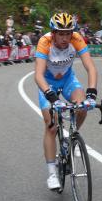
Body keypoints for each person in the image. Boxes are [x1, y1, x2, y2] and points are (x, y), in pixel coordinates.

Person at [34, 12, 97, 190]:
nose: (65, 38)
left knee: (82, 105)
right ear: (53, 33)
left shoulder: (76, 39)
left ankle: (71, 136)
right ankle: (52, 173)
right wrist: (50, 95)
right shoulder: (44, 42)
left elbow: (90, 67)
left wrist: (92, 93)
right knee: (51, 125)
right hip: (48, 84)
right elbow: (38, 75)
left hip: (68, 80)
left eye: (68, 33)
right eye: (60, 34)